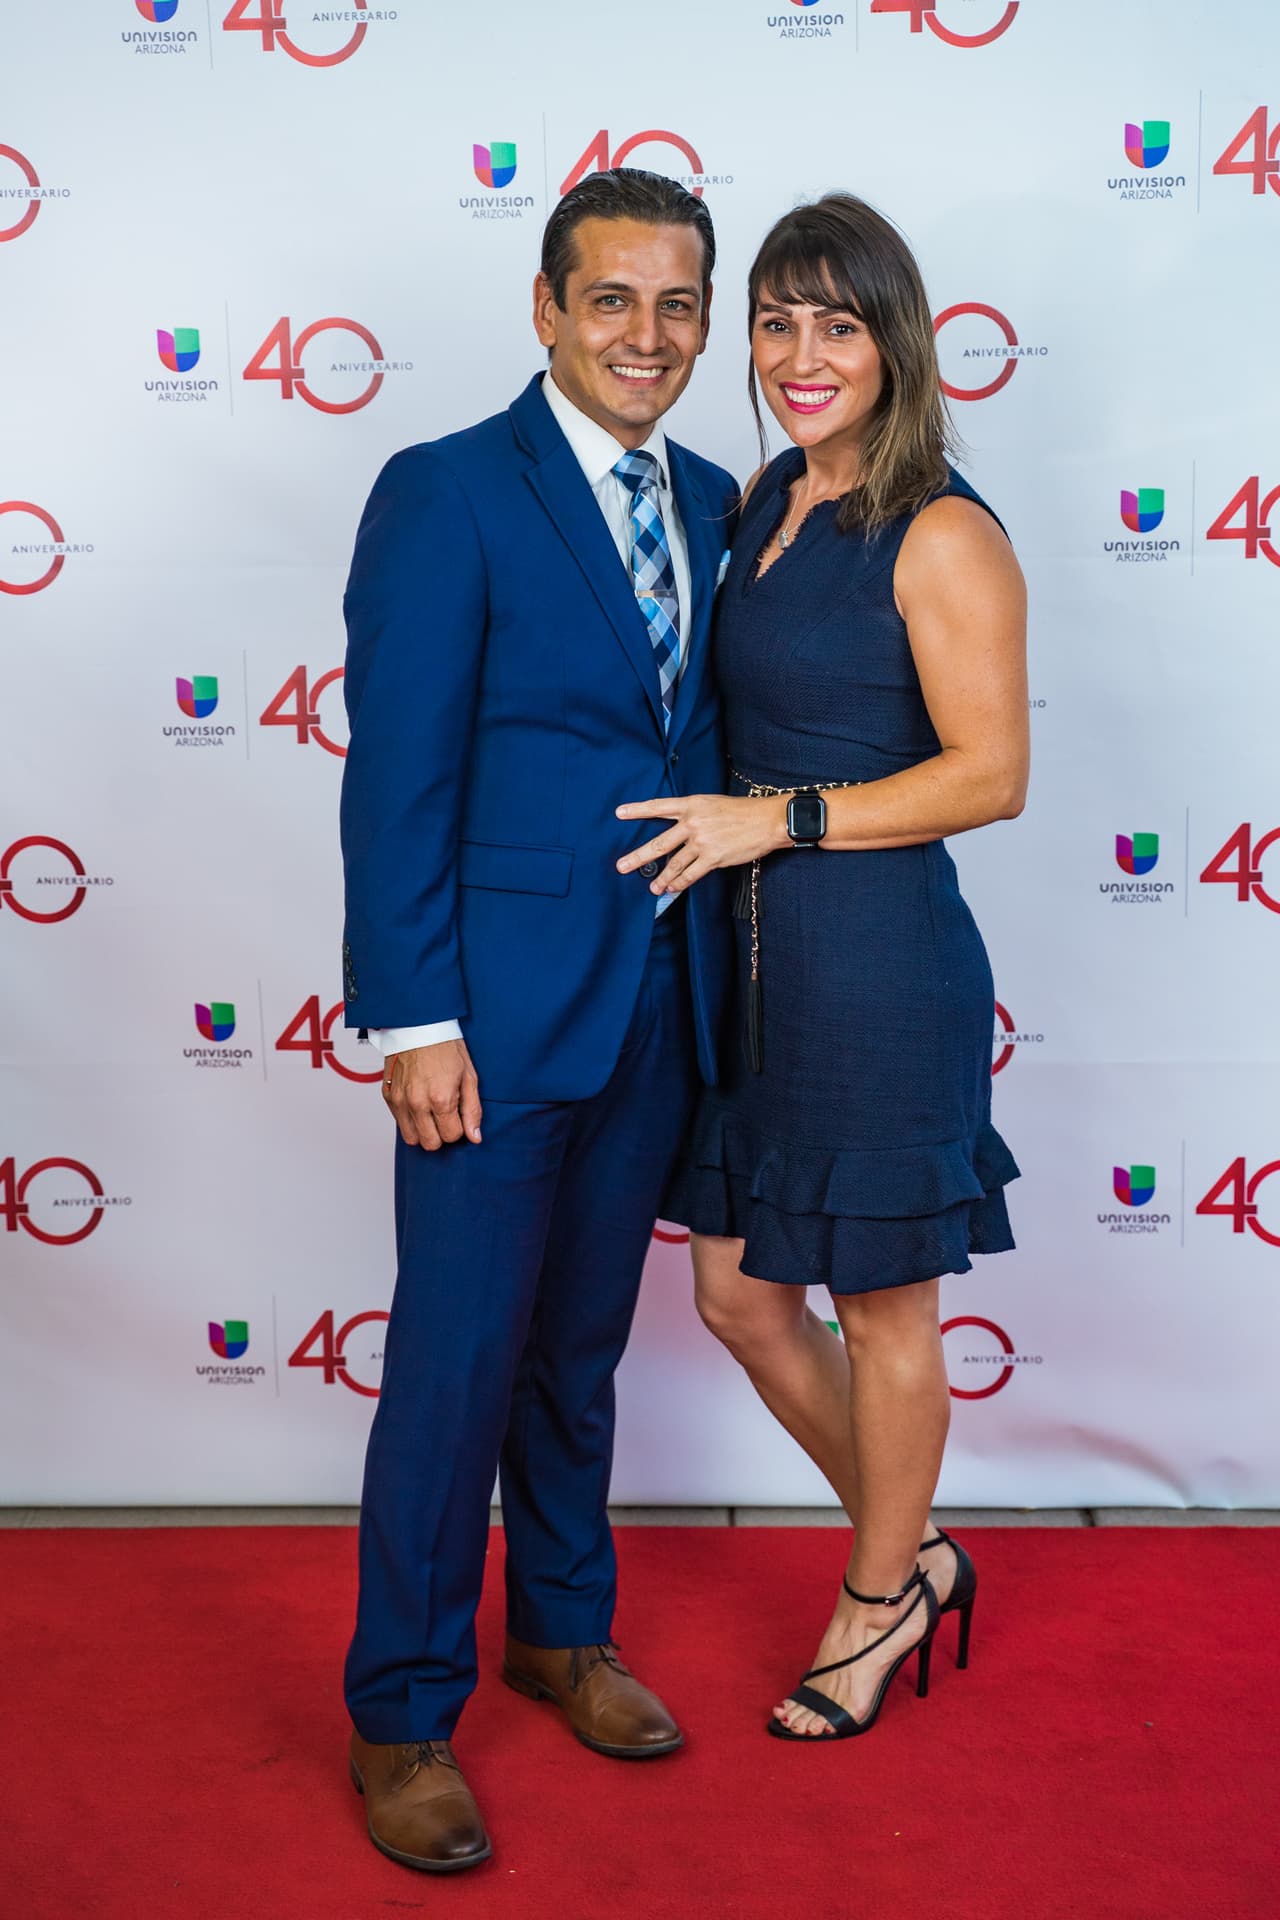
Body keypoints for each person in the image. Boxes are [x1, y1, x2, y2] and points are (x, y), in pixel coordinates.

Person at [338, 168, 737, 1869]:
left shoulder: (725, 499)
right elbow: (400, 777)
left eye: (678, 304)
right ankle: (402, 1712)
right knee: (454, 1365)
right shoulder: (445, 493)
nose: (647, 335)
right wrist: (413, 1017)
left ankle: (561, 1629)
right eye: (613, 300)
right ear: (546, 307)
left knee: (579, 1356)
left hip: (661, 1002)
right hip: (488, 1027)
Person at [617, 193, 1027, 1742]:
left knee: (886, 1310)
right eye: (777, 320)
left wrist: (771, 819)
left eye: (836, 323)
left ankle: (872, 1598)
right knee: (737, 1294)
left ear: (892, 342)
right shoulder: (761, 500)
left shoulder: (942, 530)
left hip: (874, 967)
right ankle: (914, 1548)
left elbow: (991, 776)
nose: (800, 352)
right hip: (747, 963)